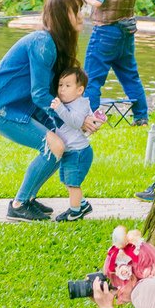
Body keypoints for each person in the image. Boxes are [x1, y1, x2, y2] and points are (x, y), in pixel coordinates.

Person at [0, 0, 101, 222]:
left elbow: (57, 94)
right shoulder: (43, 43)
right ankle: (19, 204)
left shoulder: (55, 44)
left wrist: (83, 117)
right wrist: (75, 119)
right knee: (53, 144)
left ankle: (29, 199)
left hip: (20, 106)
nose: (82, 16)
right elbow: (40, 94)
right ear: (64, 15)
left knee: (60, 142)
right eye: (77, 11)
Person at [81, 0, 149, 127]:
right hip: (127, 32)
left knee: (92, 78)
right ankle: (141, 118)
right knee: (130, 76)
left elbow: (97, 0)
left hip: (105, 32)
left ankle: (92, 120)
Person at [48, 66, 100, 222]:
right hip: (70, 152)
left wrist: (60, 108)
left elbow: (77, 122)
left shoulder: (80, 104)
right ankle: (82, 205)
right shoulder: (68, 103)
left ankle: (75, 212)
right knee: (66, 180)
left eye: (67, 85)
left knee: (73, 184)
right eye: (60, 85)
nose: (62, 89)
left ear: (79, 90)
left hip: (78, 152)